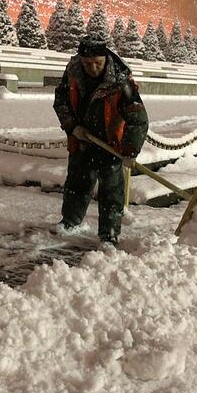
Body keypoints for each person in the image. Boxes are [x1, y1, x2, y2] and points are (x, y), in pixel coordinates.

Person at [53, 33, 149, 244]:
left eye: (97, 63)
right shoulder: (72, 73)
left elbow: (138, 118)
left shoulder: (121, 82)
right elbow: (60, 100)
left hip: (110, 145)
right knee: (76, 186)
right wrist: (72, 126)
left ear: (105, 58)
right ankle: (70, 222)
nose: (92, 67)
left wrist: (130, 151)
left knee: (111, 193)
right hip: (82, 142)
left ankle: (109, 234)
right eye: (87, 63)